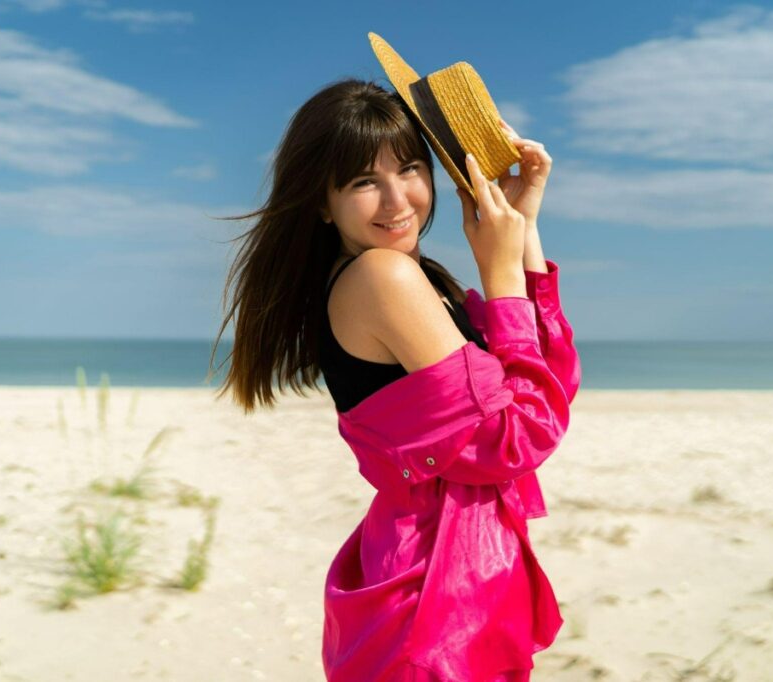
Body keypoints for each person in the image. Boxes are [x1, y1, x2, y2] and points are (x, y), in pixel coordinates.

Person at [208, 77, 581, 681]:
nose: (397, 200)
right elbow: (517, 437)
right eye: (362, 182)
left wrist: (523, 226)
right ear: (321, 202)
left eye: (409, 168)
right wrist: (502, 274)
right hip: (434, 600)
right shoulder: (384, 278)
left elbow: (546, 380)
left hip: (457, 578)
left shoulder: (418, 276)